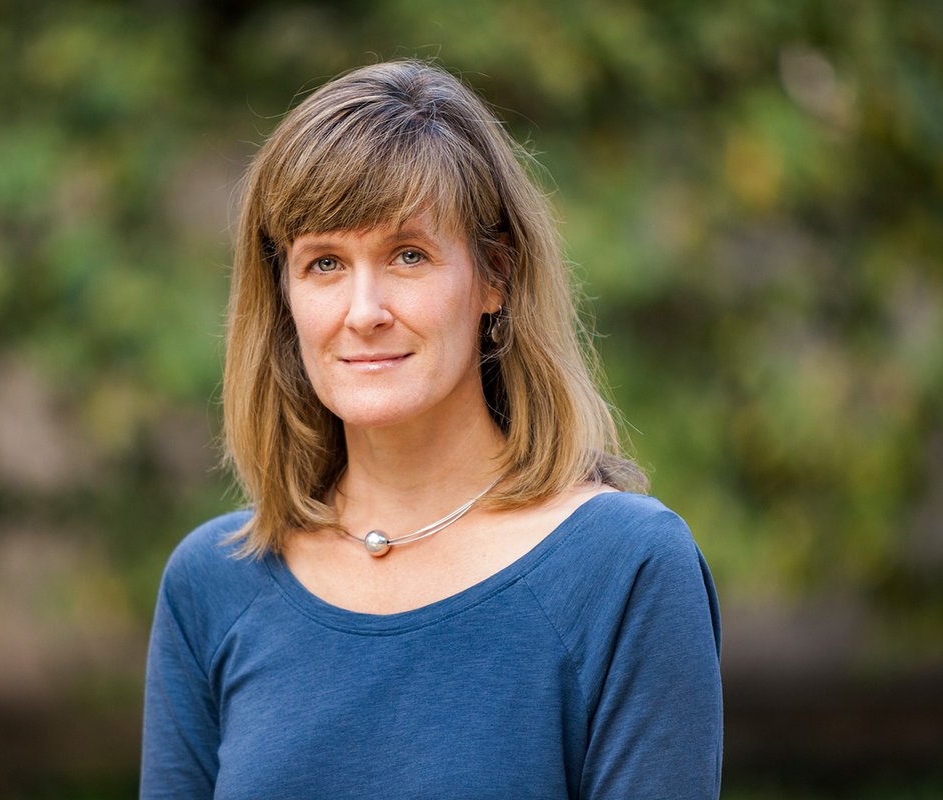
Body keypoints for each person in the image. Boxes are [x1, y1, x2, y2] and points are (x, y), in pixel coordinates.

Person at [141, 60, 722, 799]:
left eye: (407, 255)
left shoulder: (625, 569)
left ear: (494, 275)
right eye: (323, 262)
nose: (363, 310)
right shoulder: (212, 585)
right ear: (284, 296)